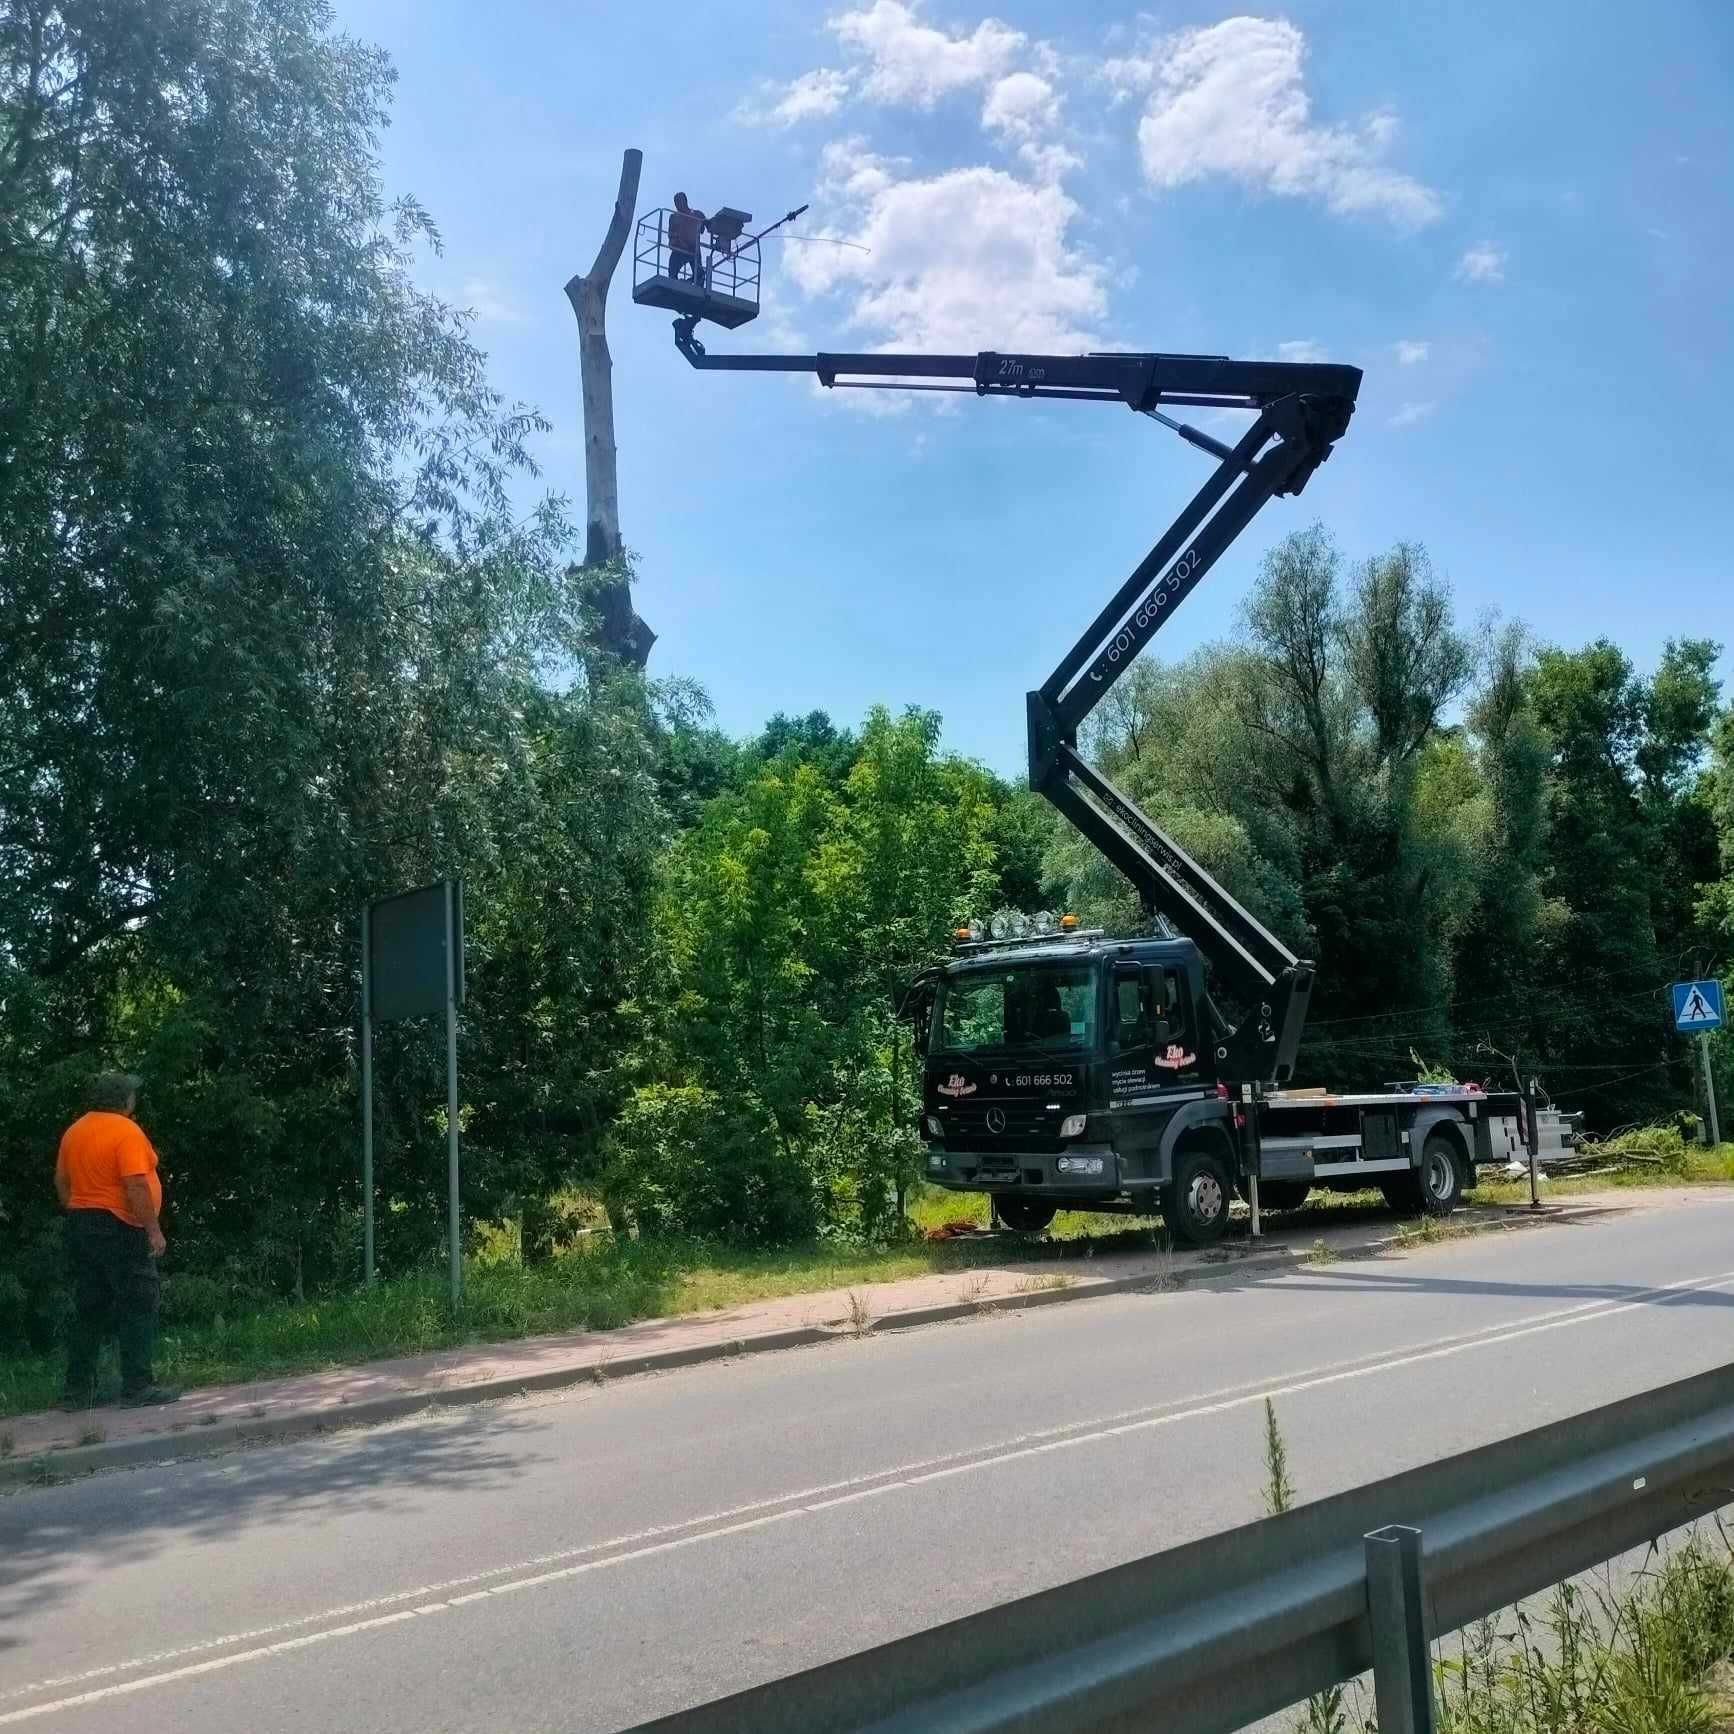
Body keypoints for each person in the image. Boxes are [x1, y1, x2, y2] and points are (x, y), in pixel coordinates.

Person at [54, 1072, 180, 1408]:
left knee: (90, 1308)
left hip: (82, 1224)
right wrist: (152, 1230)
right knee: (139, 1301)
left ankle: (77, 1392)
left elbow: (61, 1181)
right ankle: (138, 1387)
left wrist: (80, 1210)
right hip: (120, 1226)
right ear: (124, 1100)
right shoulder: (126, 1131)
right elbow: (136, 1184)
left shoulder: (75, 1131)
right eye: (132, 1095)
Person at [667, 192, 707, 288]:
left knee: (699, 275)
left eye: (679, 201)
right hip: (679, 248)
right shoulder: (674, 217)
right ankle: (677, 285)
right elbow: (671, 234)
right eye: (676, 202)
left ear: (685, 201)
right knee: (672, 272)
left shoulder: (697, 214)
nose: (677, 204)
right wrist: (677, 242)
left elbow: (704, 228)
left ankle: (692, 282)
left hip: (693, 248)